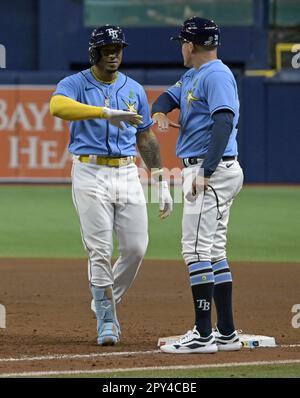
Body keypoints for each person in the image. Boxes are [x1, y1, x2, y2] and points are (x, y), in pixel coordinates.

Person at [50, 25, 173, 346]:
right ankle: (106, 317)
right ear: (95, 52)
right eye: (107, 49)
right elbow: (57, 107)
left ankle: (104, 297)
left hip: (126, 172)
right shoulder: (75, 83)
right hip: (90, 172)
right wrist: (105, 113)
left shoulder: (133, 89)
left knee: (136, 248)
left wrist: (160, 180)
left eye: (118, 48)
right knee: (100, 250)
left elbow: (145, 137)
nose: (114, 54)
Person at [152, 17, 244, 354]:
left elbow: (224, 122)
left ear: (191, 45)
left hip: (211, 171)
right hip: (214, 170)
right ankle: (226, 333)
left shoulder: (216, 74)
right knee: (214, 251)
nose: (181, 47)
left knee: (194, 251)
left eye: (182, 42)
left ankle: (203, 335)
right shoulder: (194, 75)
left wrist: (205, 171)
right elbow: (166, 97)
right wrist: (160, 113)